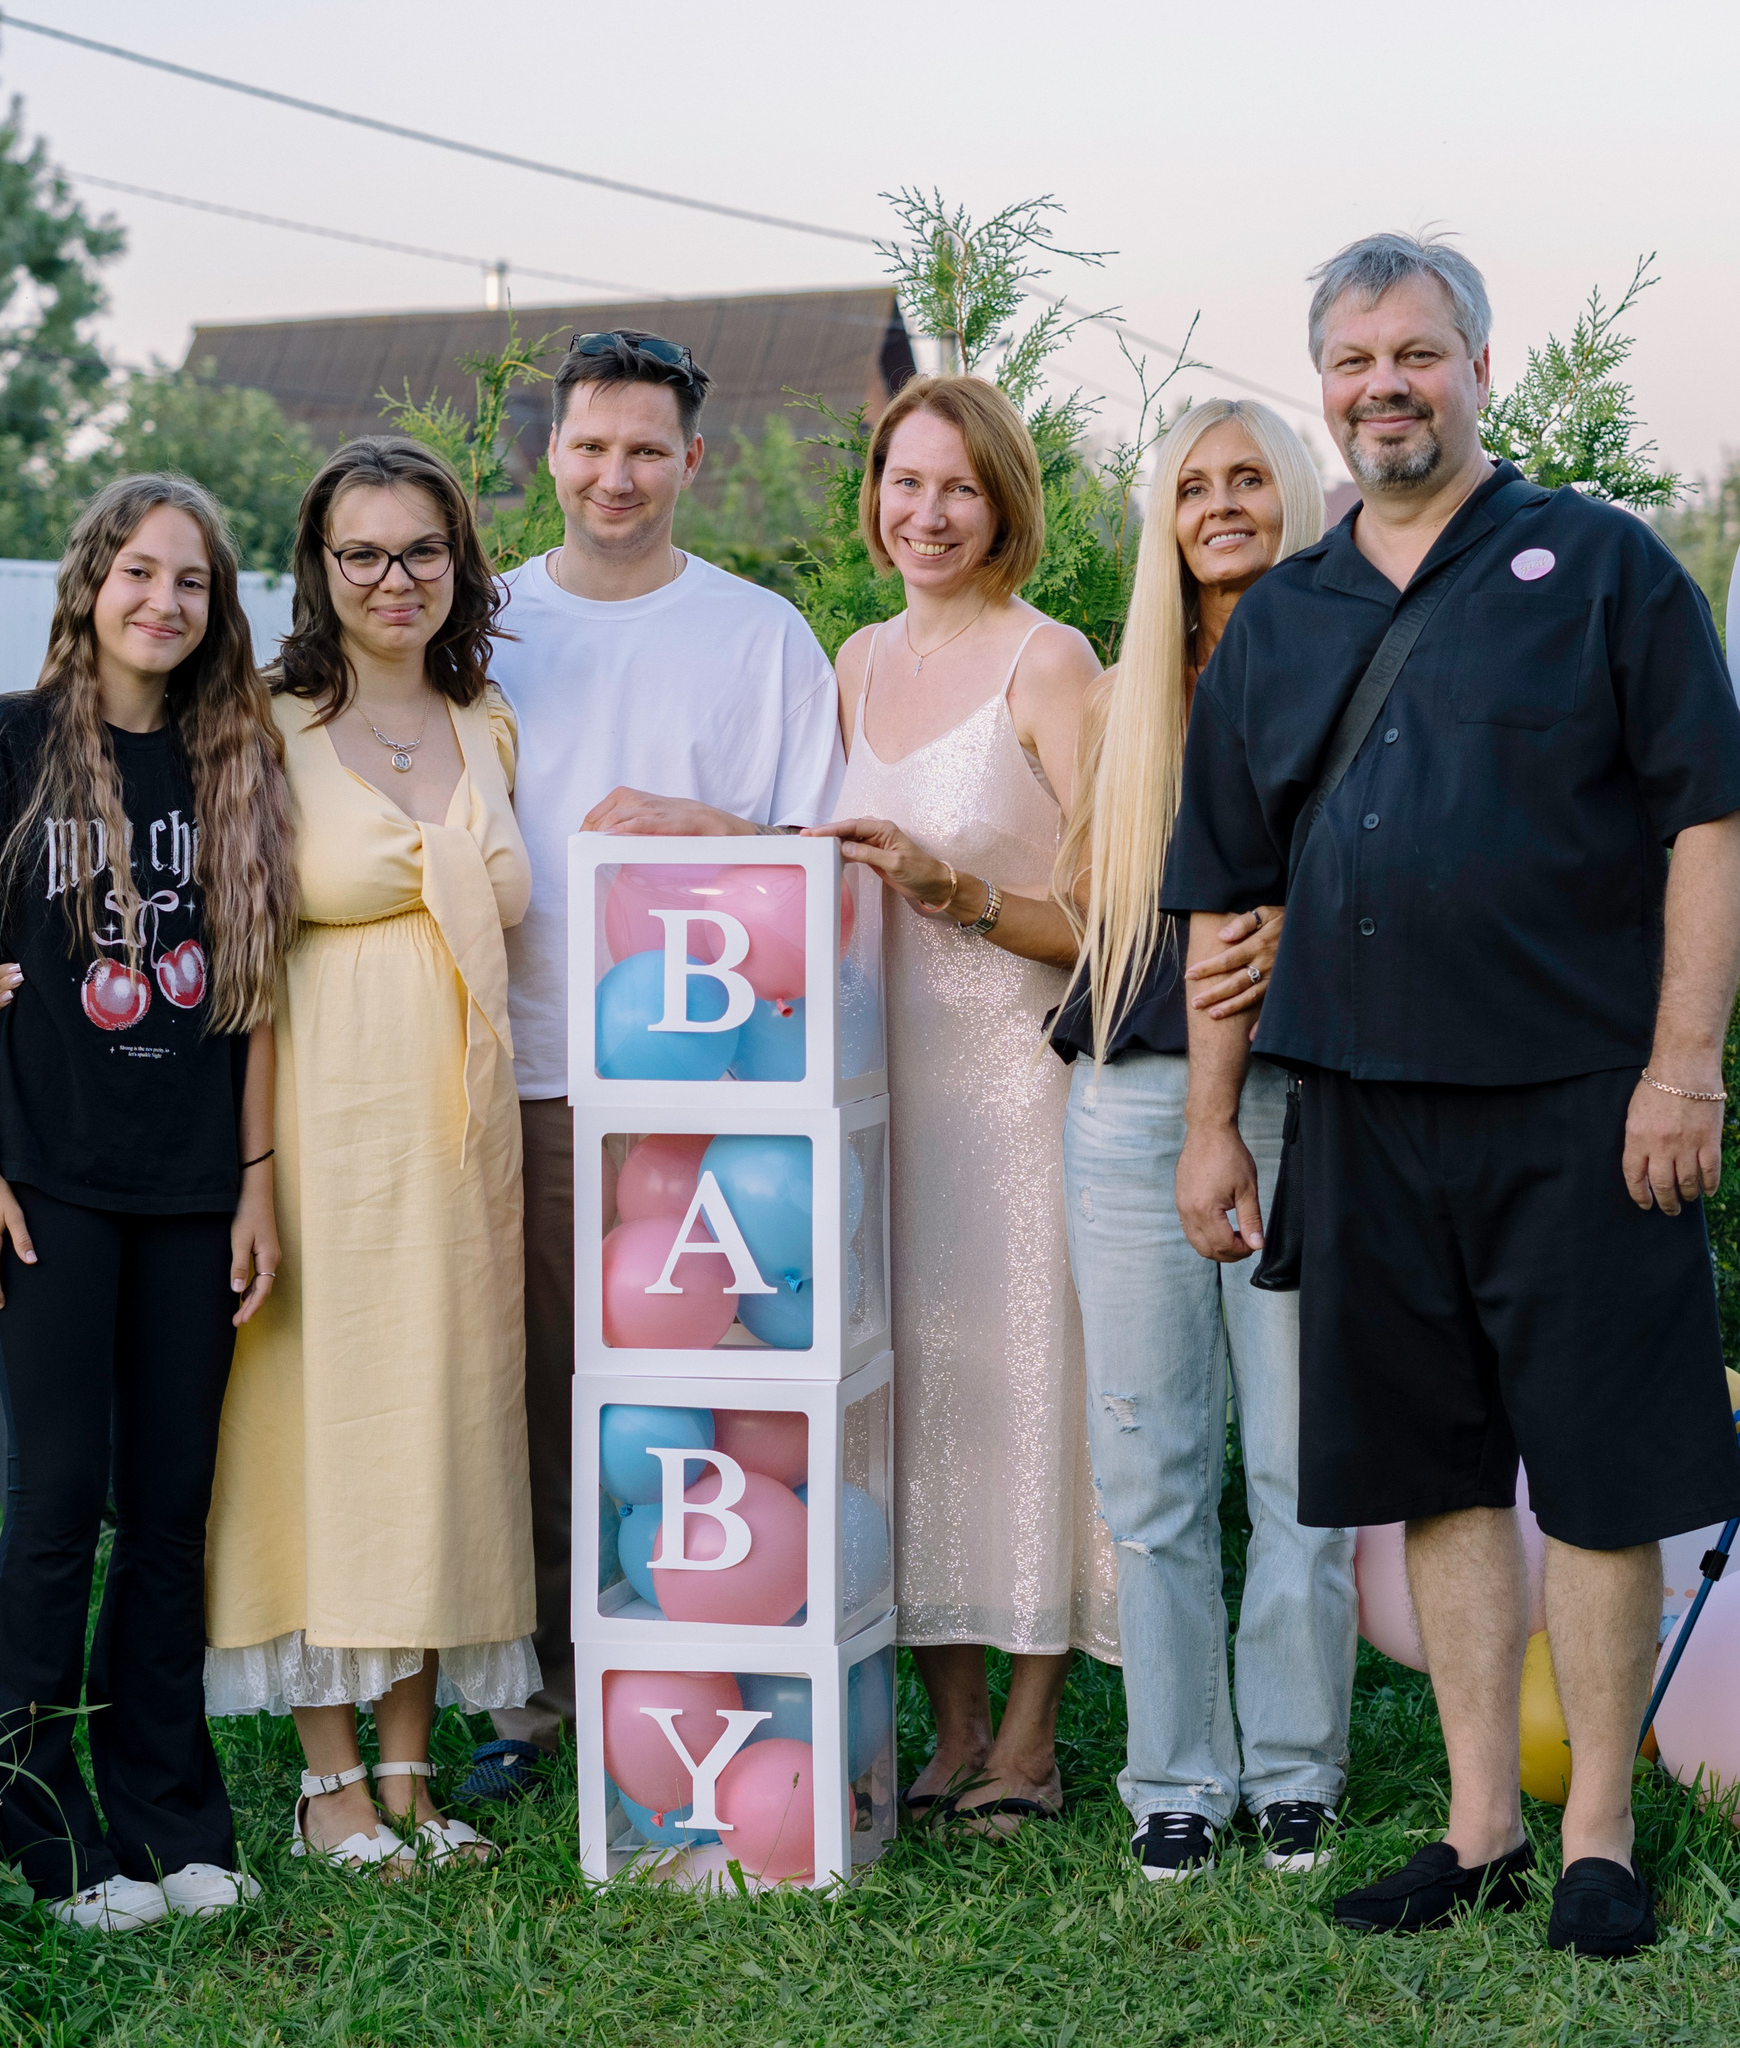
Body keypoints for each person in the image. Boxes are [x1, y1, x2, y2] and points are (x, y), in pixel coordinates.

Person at [1162, 232, 1740, 1956]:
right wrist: (1212, 1123)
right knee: (1436, 1476)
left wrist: (1684, 1069)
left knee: (1595, 1477)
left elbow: (1710, 820)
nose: (1386, 387)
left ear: (1480, 368)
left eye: (1417, 354)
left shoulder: (1602, 567)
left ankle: (1599, 1838)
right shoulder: (1287, 616)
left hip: (1583, 1102)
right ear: (1325, 388)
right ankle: (1481, 1824)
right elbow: (1224, 893)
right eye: (1355, 362)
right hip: (1362, 1110)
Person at [0, 474, 298, 1930]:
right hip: (44, 1183)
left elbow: (253, 996)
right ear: (91, 583)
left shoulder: (234, 761)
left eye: (191, 581)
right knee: (60, 1497)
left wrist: (253, 1185)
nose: (163, 601)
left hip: (192, 1191)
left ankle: (168, 1815)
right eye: (139, 571)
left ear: (217, 608)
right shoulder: (2, 745)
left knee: (172, 1510)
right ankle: (40, 1830)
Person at [465, 330, 844, 1803]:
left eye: (644, 449)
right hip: (523, 1068)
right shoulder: (484, 625)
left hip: (709, 1086)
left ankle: (715, 1665)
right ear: (552, 455)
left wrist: (715, 833)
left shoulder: (760, 636)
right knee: (538, 1394)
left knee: (687, 1400)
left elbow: (825, 855)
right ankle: (539, 1701)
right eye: (589, 446)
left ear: (693, 459)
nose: (613, 475)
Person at [197, 437, 537, 1870]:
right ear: (319, 568)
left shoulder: (486, 718)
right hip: (320, 1129)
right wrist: (254, 1179)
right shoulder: (262, 720)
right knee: (317, 1430)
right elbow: (240, 966)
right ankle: (326, 1780)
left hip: (460, 1142)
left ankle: (411, 1773)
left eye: (422, 551)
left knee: (441, 1429)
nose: (395, 579)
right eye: (363, 554)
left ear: (458, 562)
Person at [1048, 398, 1357, 1880]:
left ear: (1293, 494)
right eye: (1191, 486)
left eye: (1248, 479)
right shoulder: (1120, 702)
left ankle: (1297, 1768)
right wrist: (953, 892)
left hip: (1303, 1101)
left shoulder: (1357, 671)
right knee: (1151, 1467)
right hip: (1127, 1107)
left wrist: (1313, 922)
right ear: (1162, 520)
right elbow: (1098, 922)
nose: (1221, 504)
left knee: (1300, 1466)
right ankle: (1176, 1775)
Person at [808, 372, 1114, 1835]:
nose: (926, 514)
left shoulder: (1053, 665)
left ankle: (1033, 1741)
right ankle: (953, 1728)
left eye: (958, 488)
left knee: (1028, 1384)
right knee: (911, 1390)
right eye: (905, 482)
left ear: (1004, 507)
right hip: (879, 1088)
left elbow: (1116, 916)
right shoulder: (854, 660)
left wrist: (960, 892)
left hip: (1015, 1086)